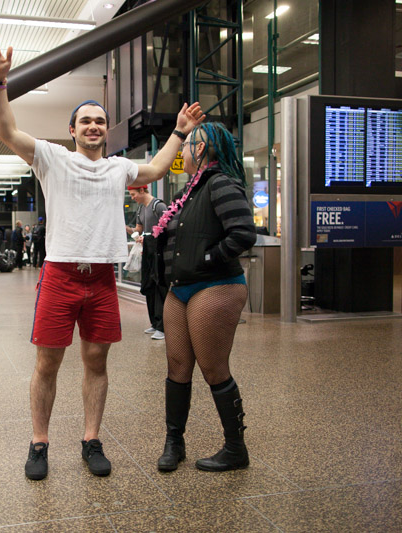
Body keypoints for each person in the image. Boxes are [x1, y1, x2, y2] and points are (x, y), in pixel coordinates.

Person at [0, 34, 203, 481]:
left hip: (101, 279)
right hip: (61, 275)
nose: (93, 127)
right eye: (85, 121)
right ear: (72, 130)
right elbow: (6, 131)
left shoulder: (118, 168)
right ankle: (39, 443)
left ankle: (91, 440)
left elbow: (159, 168)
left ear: (106, 129)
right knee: (47, 362)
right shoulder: (51, 159)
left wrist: (179, 132)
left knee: (96, 362)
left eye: (99, 121)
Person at [153, 122, 256, 474]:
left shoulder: (221, 183)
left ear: (199, 149)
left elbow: (243, 233)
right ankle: (174, 442)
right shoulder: (191, 190)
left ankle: (235, 448)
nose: (181, 151)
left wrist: (208, 258)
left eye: (186, 145)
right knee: (177, 367)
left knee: (213, 368)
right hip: (179, 289)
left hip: (214, 286)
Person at [125, 185, 168, 341]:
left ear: (142, 191)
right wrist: (127, 229)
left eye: (133, 194)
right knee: (149, 285)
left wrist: (150, 238)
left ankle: (163, 326)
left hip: (158, 251)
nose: (132, 197)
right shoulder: (140, 209)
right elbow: (138, 229)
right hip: (148, 251)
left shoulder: (158, 206)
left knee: (159, 286)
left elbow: (167, 227)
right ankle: (155, 323)